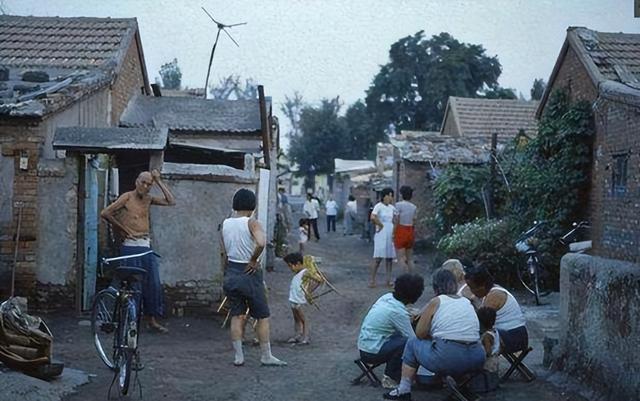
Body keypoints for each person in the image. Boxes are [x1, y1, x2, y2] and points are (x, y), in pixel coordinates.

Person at [384, 269, 485, 400]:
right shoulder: (466, 302)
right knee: (452, 347)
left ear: (435, 287)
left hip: (449, 357)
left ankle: (404, 389)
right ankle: (462, 387)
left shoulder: (436, 301)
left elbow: (420, 334)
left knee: (412, 343)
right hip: (477, 356)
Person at [100, 169, 175, 333]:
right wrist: (123, 229)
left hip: (145, 246)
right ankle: (128, 320)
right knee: (133, 285)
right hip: (130, 246)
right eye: (144, 182)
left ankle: (151, 320)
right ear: (137, 182)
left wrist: (159, 181)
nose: (146, 186)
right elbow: (105, 212)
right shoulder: (127, 197)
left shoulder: (148, 199)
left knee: (153, 284)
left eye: (149, 184)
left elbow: (171, 201)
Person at [220, 189, 286, 367]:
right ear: (252, 205)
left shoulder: (226, 223)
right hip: (248, 273)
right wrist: (253, 259)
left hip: (231, 272)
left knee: (236, 315)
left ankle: (239, 356)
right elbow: (261, 242)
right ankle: (266, 355)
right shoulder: (252, 223)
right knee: (262, 316)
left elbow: (223, 252)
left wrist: (225, 273)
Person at [358, 274, 424, 388]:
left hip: (366, 345)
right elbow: (412, 339)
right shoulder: (398, 312)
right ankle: (390, 377)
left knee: (403, 336)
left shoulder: (387, 297)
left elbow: (402, 313)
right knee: (408, 343)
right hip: (372, 352)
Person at [463, 265, 528, 354]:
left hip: (514, 337)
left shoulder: (495, 295)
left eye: (472, 287)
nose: (471, 291)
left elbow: (481, 323)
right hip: (508, 334)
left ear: (483, 285)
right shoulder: (489, 292)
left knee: (478, 339)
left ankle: (485, 364)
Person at [370, 188, 397, 288]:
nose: (391, 198)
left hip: (389, 231)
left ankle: (388, 280)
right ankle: (372, 280)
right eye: (390, 195)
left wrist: (394, 231)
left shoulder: (392, 208)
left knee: (389, 258)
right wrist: (380, 225)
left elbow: (395, 219)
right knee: (378, 257)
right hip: (381, 232)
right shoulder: (378, 206)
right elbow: (373, 217)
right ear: (385, 196)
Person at [283, 252, 311, 345]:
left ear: (298, 263)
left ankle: (305, 337)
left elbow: (318, 280)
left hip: (300, 299)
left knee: (304, 319)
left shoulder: (305, 273)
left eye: (291, 266)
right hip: (293, 299)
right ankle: (297, 335)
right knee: (296, 319)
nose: (290, 268)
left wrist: (309, 291)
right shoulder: (298, 273)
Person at [475, 306, 500, 391]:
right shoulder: (495, 331)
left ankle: (485, 388)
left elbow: (488, 351)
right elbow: (502, 345)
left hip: (488, 360)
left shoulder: (486, 336)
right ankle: (493, 386)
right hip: (495, 357)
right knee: (493, 374)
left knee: (486, 374)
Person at [394, 186, 417, 273]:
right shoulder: (414, 207)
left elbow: (396, 220)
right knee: (410, 258)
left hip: (401, 229)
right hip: (410, 230)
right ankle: (412, 276)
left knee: (401, 257)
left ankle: (405, 276)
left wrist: (393, 233)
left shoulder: (398, 205)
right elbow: (414, 221)